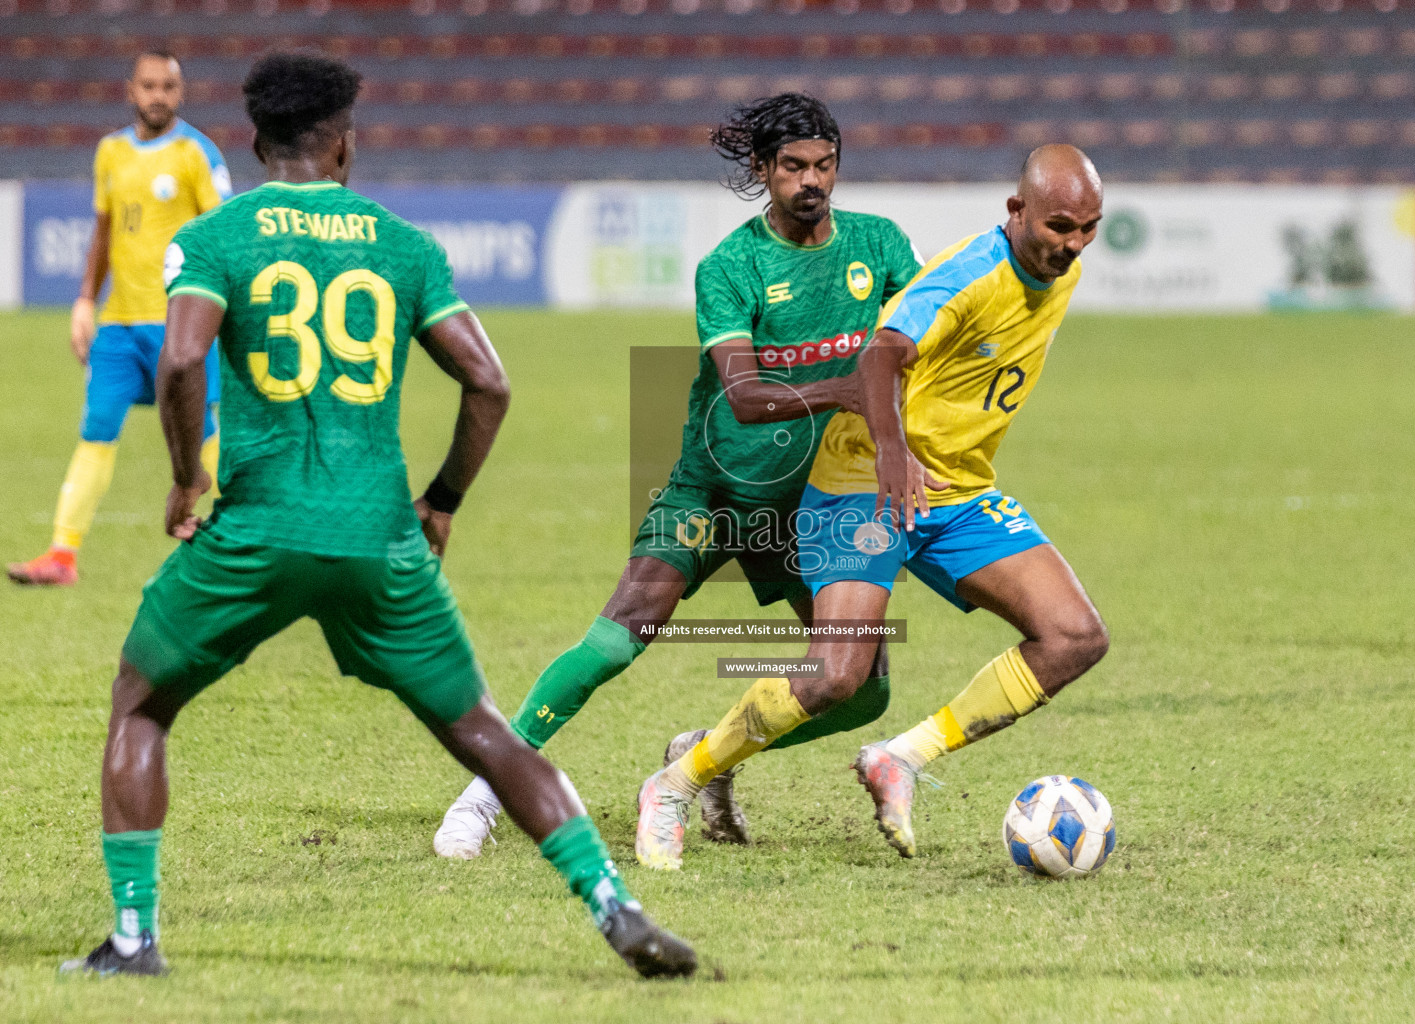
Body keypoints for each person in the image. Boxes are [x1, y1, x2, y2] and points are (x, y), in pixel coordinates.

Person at [60, 51, 695, 979]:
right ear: (345, 148)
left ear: (256, 143)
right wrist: (441, 501)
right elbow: (488, 380)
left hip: (256, 530)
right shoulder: (402, 245)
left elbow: (184, 361)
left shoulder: (220, 236)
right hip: (379, 535)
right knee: (484, 728)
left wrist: (182, 480)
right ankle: (614, 905)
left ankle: (133, 938)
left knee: (142, 704)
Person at [433, 94, 923, 859]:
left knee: (866, 689)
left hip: (812, 504)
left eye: (824, 165)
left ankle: (706, 754)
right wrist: (847, 390)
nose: (811, 181)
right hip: (715, 490)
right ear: (762, 170)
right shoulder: (730, 266)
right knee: (616, 638)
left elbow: (922, 345)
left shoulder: (882, 245)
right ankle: (485, 791)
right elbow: (745, 395)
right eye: (793, 166)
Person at [635, 145, 1108, 870]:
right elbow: (882, 352)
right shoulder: (969, 275)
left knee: (1074, 637)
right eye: (1059, 226)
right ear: (1016, 212)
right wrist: (891, 449)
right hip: (860, 479)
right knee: (836, 677)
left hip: (956, 490)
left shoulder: (1059, 270)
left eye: (1088, 228)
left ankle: (901, 758)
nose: (1072, 245)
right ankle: (675, 782)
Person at [9, 51, 228, 586]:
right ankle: (62, 555)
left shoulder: (197, 154)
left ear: (180, 92)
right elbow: (104, 232)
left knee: (204, 438)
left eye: (167, 87)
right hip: (119, 325)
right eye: (148, 85)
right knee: (97, 428)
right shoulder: (109, 152)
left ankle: (220, 549)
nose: (157, 95)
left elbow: (222, 236)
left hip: (180, 329)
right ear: (131, 90)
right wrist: (85, 299)